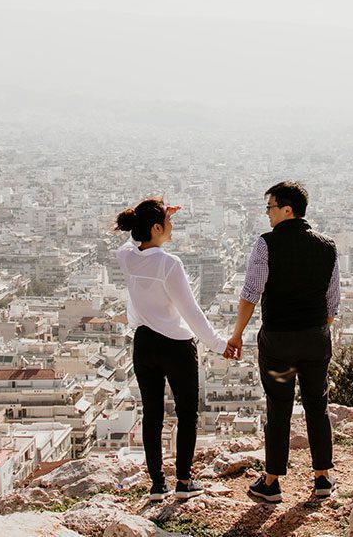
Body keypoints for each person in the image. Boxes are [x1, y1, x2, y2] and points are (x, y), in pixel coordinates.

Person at [115, 198, 237, 502]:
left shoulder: (127, 259)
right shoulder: (170, 264)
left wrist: (154, 217)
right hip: (176, 345)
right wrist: (219, 344)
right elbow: (191, 312)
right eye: (168, 222)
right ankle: (184, 480)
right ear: (157, 228)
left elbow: (130, 242)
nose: (172, 225)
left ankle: (158, 484)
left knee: (152, 414)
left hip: (144, 343)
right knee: (186, 414)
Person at [228, 181, 340, 503]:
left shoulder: (266, 244)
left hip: (278, 343)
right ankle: (322, 477)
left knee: (279, 407)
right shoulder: (327, 246)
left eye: (271, 207)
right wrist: (315, 329)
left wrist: (237, 334)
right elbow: (332, 302)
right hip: (315, 340)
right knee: (317, 405)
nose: (267, 214)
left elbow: (251, 293)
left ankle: (272, 481)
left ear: (287, 210)